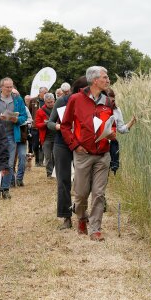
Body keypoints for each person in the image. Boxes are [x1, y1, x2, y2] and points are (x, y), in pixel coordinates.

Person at [61, 66, 115, 241]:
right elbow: (65, 125)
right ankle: (82, 218)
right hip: (83, 153)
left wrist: (112, 132)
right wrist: (75, 145)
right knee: (81, 192)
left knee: (99, 193)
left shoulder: (108, 101)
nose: (108, 80)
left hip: (103, 154)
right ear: (94, 80)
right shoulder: (76, 99)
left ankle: (95, 229)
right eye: (105, 77)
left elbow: (112, 123)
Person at [48, 76, 87, 229]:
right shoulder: (62, 101)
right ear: (79, 90)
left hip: (80, 145)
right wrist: (59, 127)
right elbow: (50, 123)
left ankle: (82, 213)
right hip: (62, 145)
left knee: (83, 181)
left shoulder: (90, 102)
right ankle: (66, 217)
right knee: (63, 181)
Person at [0, 77, 28, 199]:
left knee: (8, 163)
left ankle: (5, 189)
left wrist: (16, 119)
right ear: (1, 87)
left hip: (11, 135)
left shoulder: (18, 100)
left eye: (11, 86)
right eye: (7, 87)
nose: (9, 89)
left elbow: (24, 116)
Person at [35, 93, 56, 177]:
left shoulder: (57, 109)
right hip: (46, 137)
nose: (51, 103)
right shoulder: (40, 111)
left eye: (52, 102)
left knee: (55, 156)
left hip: (57, 136)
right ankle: (49, 173)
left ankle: (55, 172)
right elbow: (37, 124)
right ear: (45, 102)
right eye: (48, 102)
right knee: (48, 156)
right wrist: (45, 123)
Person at [28, 87, 47, 166]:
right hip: (35, 126)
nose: (46, 94)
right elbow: (29, 112)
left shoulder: (48, 101)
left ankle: (40, 161)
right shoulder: (33, 100)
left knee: (43, 143)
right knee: (35, 144)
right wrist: (31, 122)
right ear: (40, 93)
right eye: (45, 93)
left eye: (47, 93)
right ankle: (36, 160)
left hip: (44, 126)